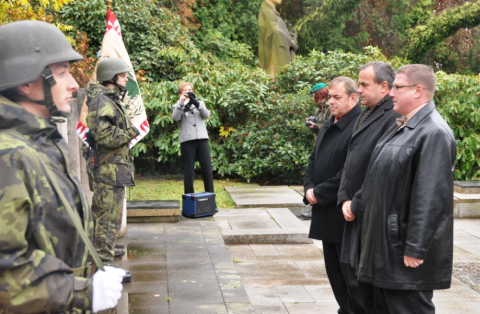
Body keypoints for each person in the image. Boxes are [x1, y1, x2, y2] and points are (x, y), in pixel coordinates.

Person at [0, 20, 125, 313]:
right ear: (26, 81)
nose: (74, 84)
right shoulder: (9, 156)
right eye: (62, 73)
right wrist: (81, 293)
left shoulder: (40, 142)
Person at [357, 64, 456, 314]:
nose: (391, 93)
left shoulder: (433, 132)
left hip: (404, 254)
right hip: (387, 249)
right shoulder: (402, 125)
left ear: (418, 91)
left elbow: (431, 198)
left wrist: (416, 248)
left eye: (398, 87)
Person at [338, 61, 401, 313]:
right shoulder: (366, 113)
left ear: (384, 86)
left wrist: (356, 202)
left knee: (368, 290)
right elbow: (350, 157)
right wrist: (344, 196)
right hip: (352, 210)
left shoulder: (393, 116)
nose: (359, 89)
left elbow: (382, 169)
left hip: (370, 212)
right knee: (353, 281)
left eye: (364, 84)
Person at [303, 77, 364, 314]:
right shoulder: (330, 122)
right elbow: (314, 157)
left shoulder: (359, 124)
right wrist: (308, 186)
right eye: (330, 97)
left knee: (350, 275)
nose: (331, 102)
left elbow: (352, 169)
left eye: (336, 97)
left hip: (342, 211)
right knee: (334, 272)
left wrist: (319, 192)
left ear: (353, 98)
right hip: (324, 211)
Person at [86, 57, 140, 273]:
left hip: (113, 170)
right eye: (123, 75)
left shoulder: (109, 99)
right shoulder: (102, 101)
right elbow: (104, 135)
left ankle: (102, 255)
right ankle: (103, 266)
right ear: (111, 77)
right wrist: (131, 132)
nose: (127, 79)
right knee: (107, 218)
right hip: (108, 171)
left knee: (106, 217)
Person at [172, 82, 214, 195]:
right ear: (180, 93)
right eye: (185, 90)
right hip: (187, 141)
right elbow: (175, 118)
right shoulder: (177, 106)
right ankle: (189, 201)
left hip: (202, 139)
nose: (188, 92)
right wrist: (181, 103)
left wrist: (197, 104)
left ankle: (210, 199)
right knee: (189, 172)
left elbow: (206, 115)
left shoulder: (200, 103)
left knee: (207, 170)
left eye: (190, 89)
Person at [302, 82, 330, 220]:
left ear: (320, 94)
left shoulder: (330, 107)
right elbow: (320, 128)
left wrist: (317, 126)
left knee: (321, 178)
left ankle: (317, 209)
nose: (313, 97)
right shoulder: (320, 108)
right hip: (319, 145)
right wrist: (312, 126)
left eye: (314, 95)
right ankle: (314, 207)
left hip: (328, 146)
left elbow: (329, 127)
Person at [258, 0, 298, 76]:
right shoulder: (267, 11)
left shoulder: (273, 12)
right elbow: (276, 32)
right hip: (273, 59)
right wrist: (291, 43)